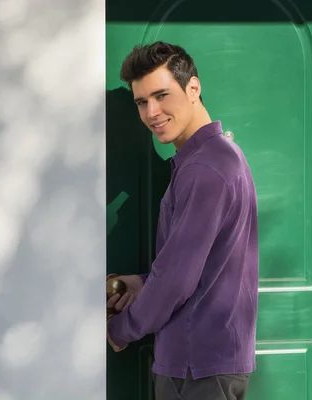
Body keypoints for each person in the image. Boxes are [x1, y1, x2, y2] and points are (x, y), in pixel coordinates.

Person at [106, 41, 259, 400]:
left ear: (193, 88)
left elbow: (177, 280)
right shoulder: (216, 157)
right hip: (207, 362)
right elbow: (203, 267)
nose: (151, 112)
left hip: (196, 368)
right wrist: (143, 283)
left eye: (161, 95)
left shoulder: (206, 167)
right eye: (142, 102)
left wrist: (122, 329)